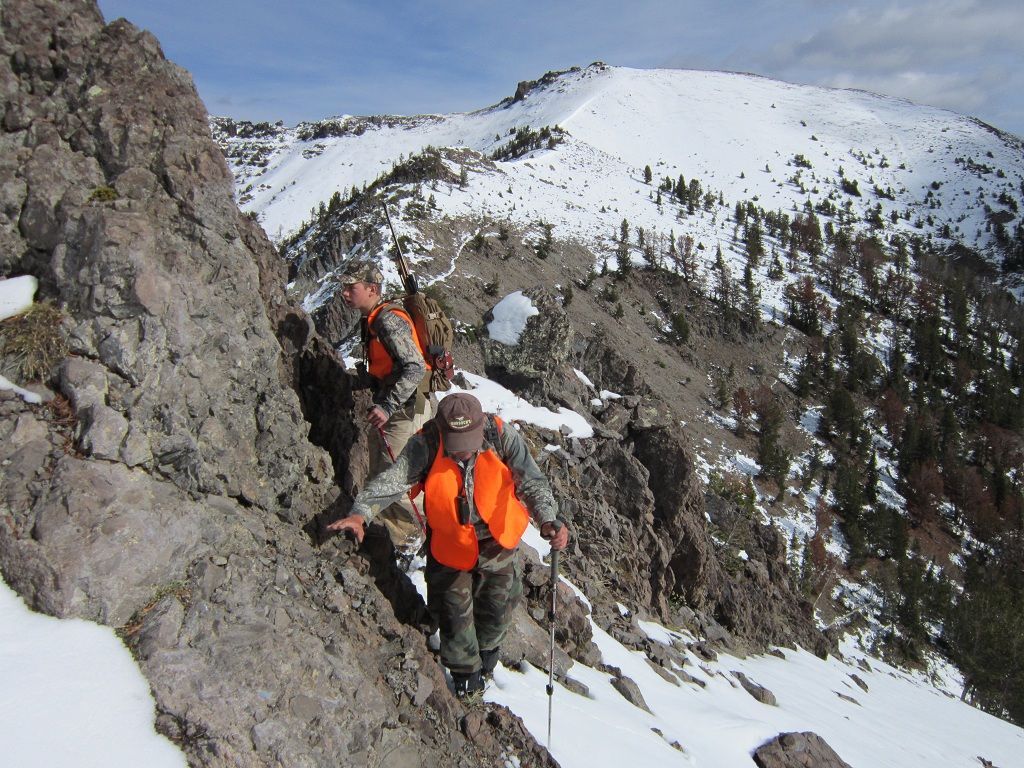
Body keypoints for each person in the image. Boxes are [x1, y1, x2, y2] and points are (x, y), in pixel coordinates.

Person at [327, 392, 570, 697]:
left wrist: (547, 518)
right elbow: (393, 480)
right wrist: (360, 513)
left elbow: (532, 481)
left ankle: (488, 659)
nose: (464, 454)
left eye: (469, 444)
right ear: (442, 430)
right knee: (454, 616)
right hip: (451, 546)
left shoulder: (500, 435)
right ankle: (466, 680)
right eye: (457, 446)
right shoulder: (425, 443)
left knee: (497, 609)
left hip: (498, 542)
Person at [340, 260, 434, 553]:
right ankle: (401, 539)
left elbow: (415, 368)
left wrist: (387, 406)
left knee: (396, 478)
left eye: (351, 287)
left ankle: (414, 542)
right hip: (405, 406)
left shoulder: (387, 320)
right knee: (383, 473)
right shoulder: (373, 318)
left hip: (406, 409)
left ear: (371, 289)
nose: (344, 293)